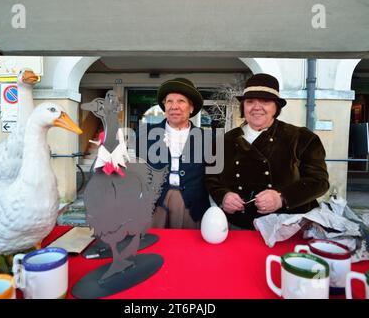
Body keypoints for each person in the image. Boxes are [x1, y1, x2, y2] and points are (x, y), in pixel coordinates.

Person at [205, 73, 329, 230]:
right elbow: (211, 177)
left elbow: (319, 182)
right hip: (239, 225)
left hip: (289, 226)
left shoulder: (302, 138)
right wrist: (223, 196)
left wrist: (282, 197)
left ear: (276, 107)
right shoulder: (223, 141)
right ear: (243, 107)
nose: (257, 107)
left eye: (265, 101)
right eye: (250, 102)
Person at [137, 78, 211, 229]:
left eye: (181, 101)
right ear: (164, 106)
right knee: (154, 246)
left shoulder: (208, 138)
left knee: (187, 249)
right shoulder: (145, 134)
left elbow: (213, 176)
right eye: (169, 101)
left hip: (192, 206)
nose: (174, 106)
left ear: (191, 107)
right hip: (155, 204)